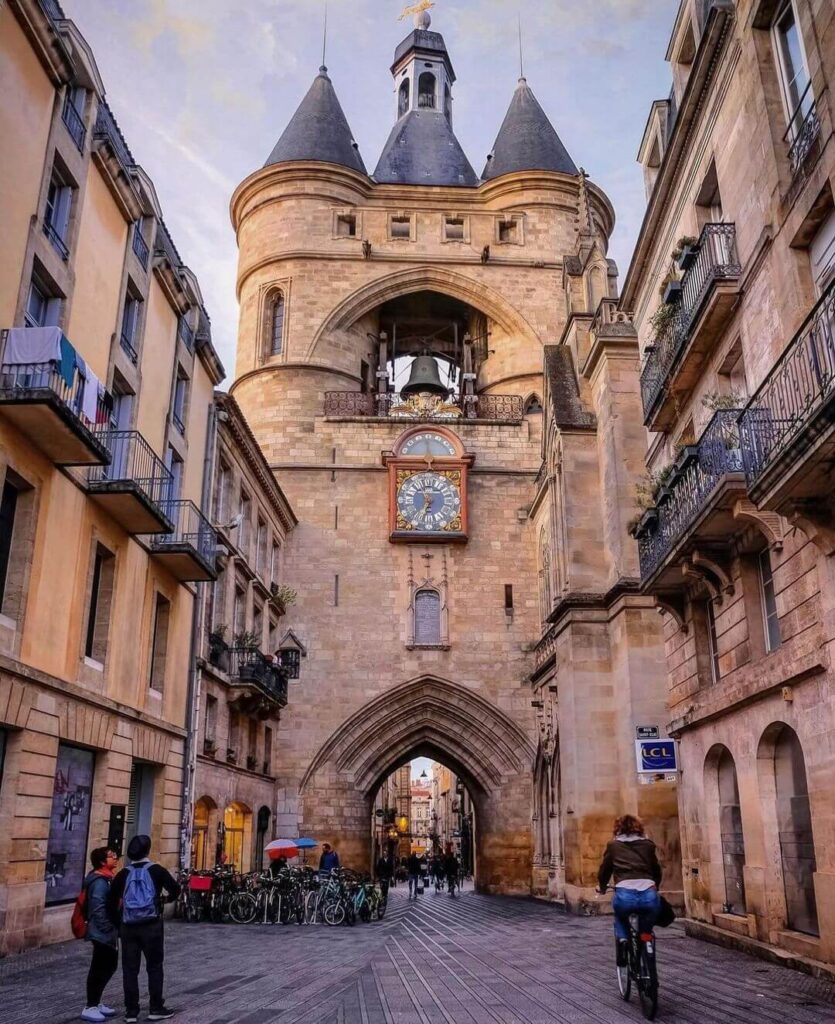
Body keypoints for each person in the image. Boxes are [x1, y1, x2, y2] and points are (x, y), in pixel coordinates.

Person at [107, 835, 180, 1023]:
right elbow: (175, 889)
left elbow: (111, 902)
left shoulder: (123, 874)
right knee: (154, 966)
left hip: (129, 926)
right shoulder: (156, 870)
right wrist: (163, 900)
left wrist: (119, 924)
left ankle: (131, 1011)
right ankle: (155, 1007)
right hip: (151, 925)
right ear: (148, 850)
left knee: (130, 969)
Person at [597, 814, 662, 966]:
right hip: (648, 893)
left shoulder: (613, 846)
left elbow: (605, 870)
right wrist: (656, 885)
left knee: (620, 916)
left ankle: (623, 940)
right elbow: (656, 870)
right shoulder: (648, 845)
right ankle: (646, 937)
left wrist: (602, 887)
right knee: (648, 920)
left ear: (618, 828)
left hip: (624, 893)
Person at [80, 847, 120, 1023]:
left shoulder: (106, 879)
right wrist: (108, 928)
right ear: (103, 861)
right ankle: (90, 1006)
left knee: (108, 965)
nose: (116, 858)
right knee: (101, 967)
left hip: (105, 931)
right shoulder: (99, 882)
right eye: (112, 856)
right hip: (101, 932)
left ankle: (96, 1002)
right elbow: (98, 908)